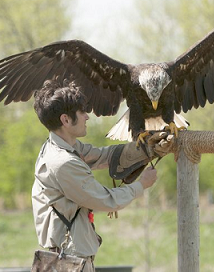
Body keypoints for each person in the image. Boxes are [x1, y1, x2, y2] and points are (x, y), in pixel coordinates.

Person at [31, 80, 173, 272]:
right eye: (81, 112)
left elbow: (103, 156)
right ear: (65, 120)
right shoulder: (62, 163)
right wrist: (141, 185)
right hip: (69, 261)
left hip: (69, 257)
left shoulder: (62, 147)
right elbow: (106, 200)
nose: (87, 117)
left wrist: (146, 148)